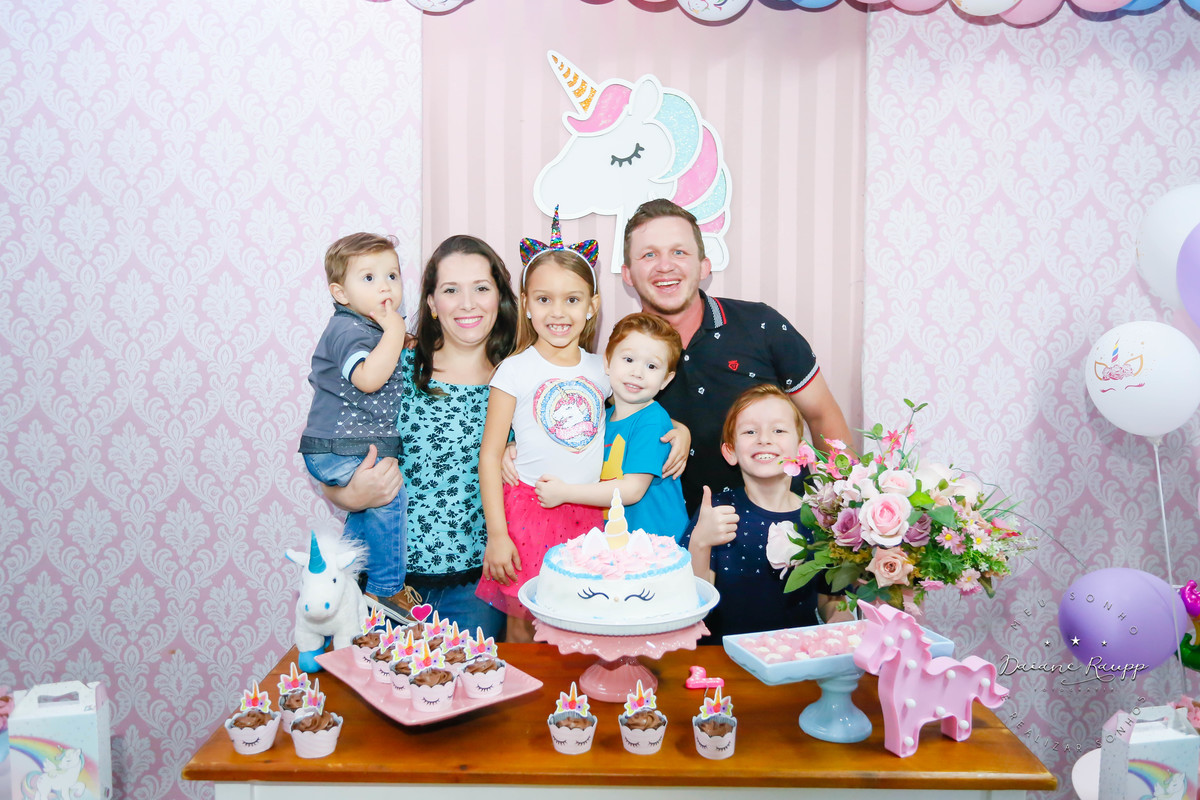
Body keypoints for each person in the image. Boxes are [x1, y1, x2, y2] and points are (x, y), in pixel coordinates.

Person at [322, 235, 518, 641]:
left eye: (481, 288)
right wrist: (351, 495)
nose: (467, 303)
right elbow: (332, 452)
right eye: (451, 290)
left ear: (499, 297)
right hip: (383, 584)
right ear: (431, 302)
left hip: (476, 587)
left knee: (470, 681)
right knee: (376, 682)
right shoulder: (393, 365)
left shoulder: (520, 380)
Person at [620, 199, 854, 513]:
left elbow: (821, 414)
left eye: (679, 252)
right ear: (628, 274)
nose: (665, 266)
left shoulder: (762, 325)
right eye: (649, 255)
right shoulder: (621, 353)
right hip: (671, 535)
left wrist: (842, 511)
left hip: (785, 530)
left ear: (704, 266)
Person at [476, 216, 609, 643]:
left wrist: (678, 430)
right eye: (544, 299)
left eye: (572, 299)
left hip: (589, 512)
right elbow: (489, 455)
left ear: (591, 305)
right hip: (528, 512)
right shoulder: (513, 371)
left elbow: (639, 415)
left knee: (583, 615)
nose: (558, 312)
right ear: (526, 304)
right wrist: (497, 534)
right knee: (523, 620)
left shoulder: (604, 369)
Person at [299, 232, 413, 618]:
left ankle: (346, 575)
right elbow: (367, 378)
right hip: (336, 445)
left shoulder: (369, 330)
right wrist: (395, 332)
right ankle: (385, 589)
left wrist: (396, 337)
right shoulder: (346, 330)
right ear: (340, 293)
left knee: (368, 510)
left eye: (392, 276)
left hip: (345, 444)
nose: (385, 286)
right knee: (389, 496)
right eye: (369, 278)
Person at [682, 384, 851, 642]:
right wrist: (700, 543)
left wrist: (841, 617)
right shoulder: (716, 513)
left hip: (797, 656)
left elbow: (830, 599)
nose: (764, 439)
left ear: (801, 451)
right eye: (750, 431)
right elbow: (693, 604)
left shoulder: (822, 518)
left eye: (778, 430)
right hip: (723, 658)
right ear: (730, 451)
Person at [533, 312, 688, 542]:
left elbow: (633, 490)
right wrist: (514, 446)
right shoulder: (600, 419)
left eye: (652, 366)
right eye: (628, 360)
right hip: (617, 544)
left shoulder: (652, 420)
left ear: (666, 379)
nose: (637, 373)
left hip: (657, 544)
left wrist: (565, 493)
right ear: (607, 362)